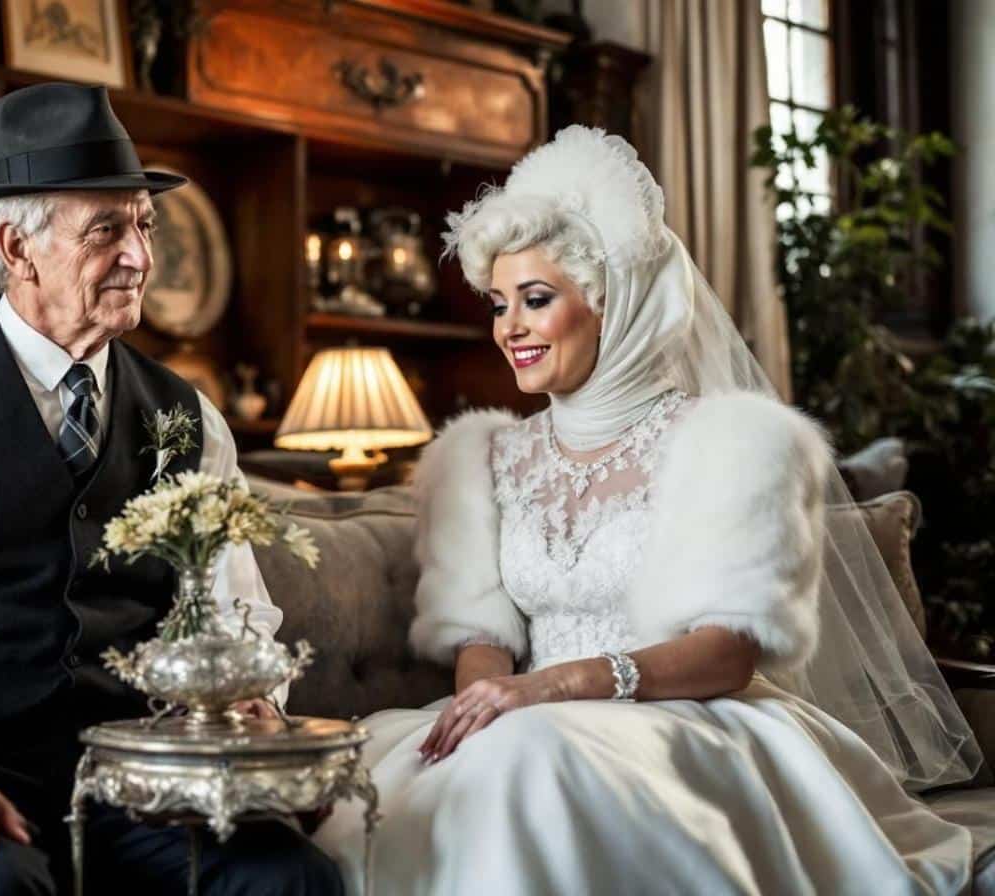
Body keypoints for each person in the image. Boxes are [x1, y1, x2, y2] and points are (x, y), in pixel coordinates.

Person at [312, 126, 984, 895]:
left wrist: (553, 687)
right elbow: (482, 637)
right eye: (499, 304)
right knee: (374, 783)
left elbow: (728, 656)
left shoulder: (735, 443)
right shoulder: (481, 458)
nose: (510, 328)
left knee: (534, 766)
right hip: (529, 724)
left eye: (537, 299)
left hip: (685, 717)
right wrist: (491, 699)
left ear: (614, 303)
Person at [0, 82, 343, 896]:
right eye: (107, 231)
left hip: (133, 784)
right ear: (17, 250)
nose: (141, 258)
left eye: (144, 226)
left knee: (290, 880)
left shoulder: (190, 417)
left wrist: (249, 699)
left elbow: (235, 612)